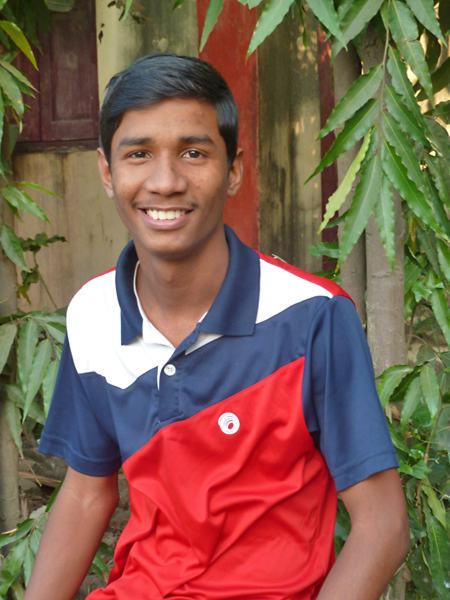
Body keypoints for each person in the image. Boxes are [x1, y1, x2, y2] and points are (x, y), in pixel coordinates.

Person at [25, 53, 409, 600]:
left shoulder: (311, 316)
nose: (165, 182)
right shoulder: (92, 312)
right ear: (108, 173)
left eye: (193, 153)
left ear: (233, 170)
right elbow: (87, 493)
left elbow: (382, 527)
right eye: (138, 154)